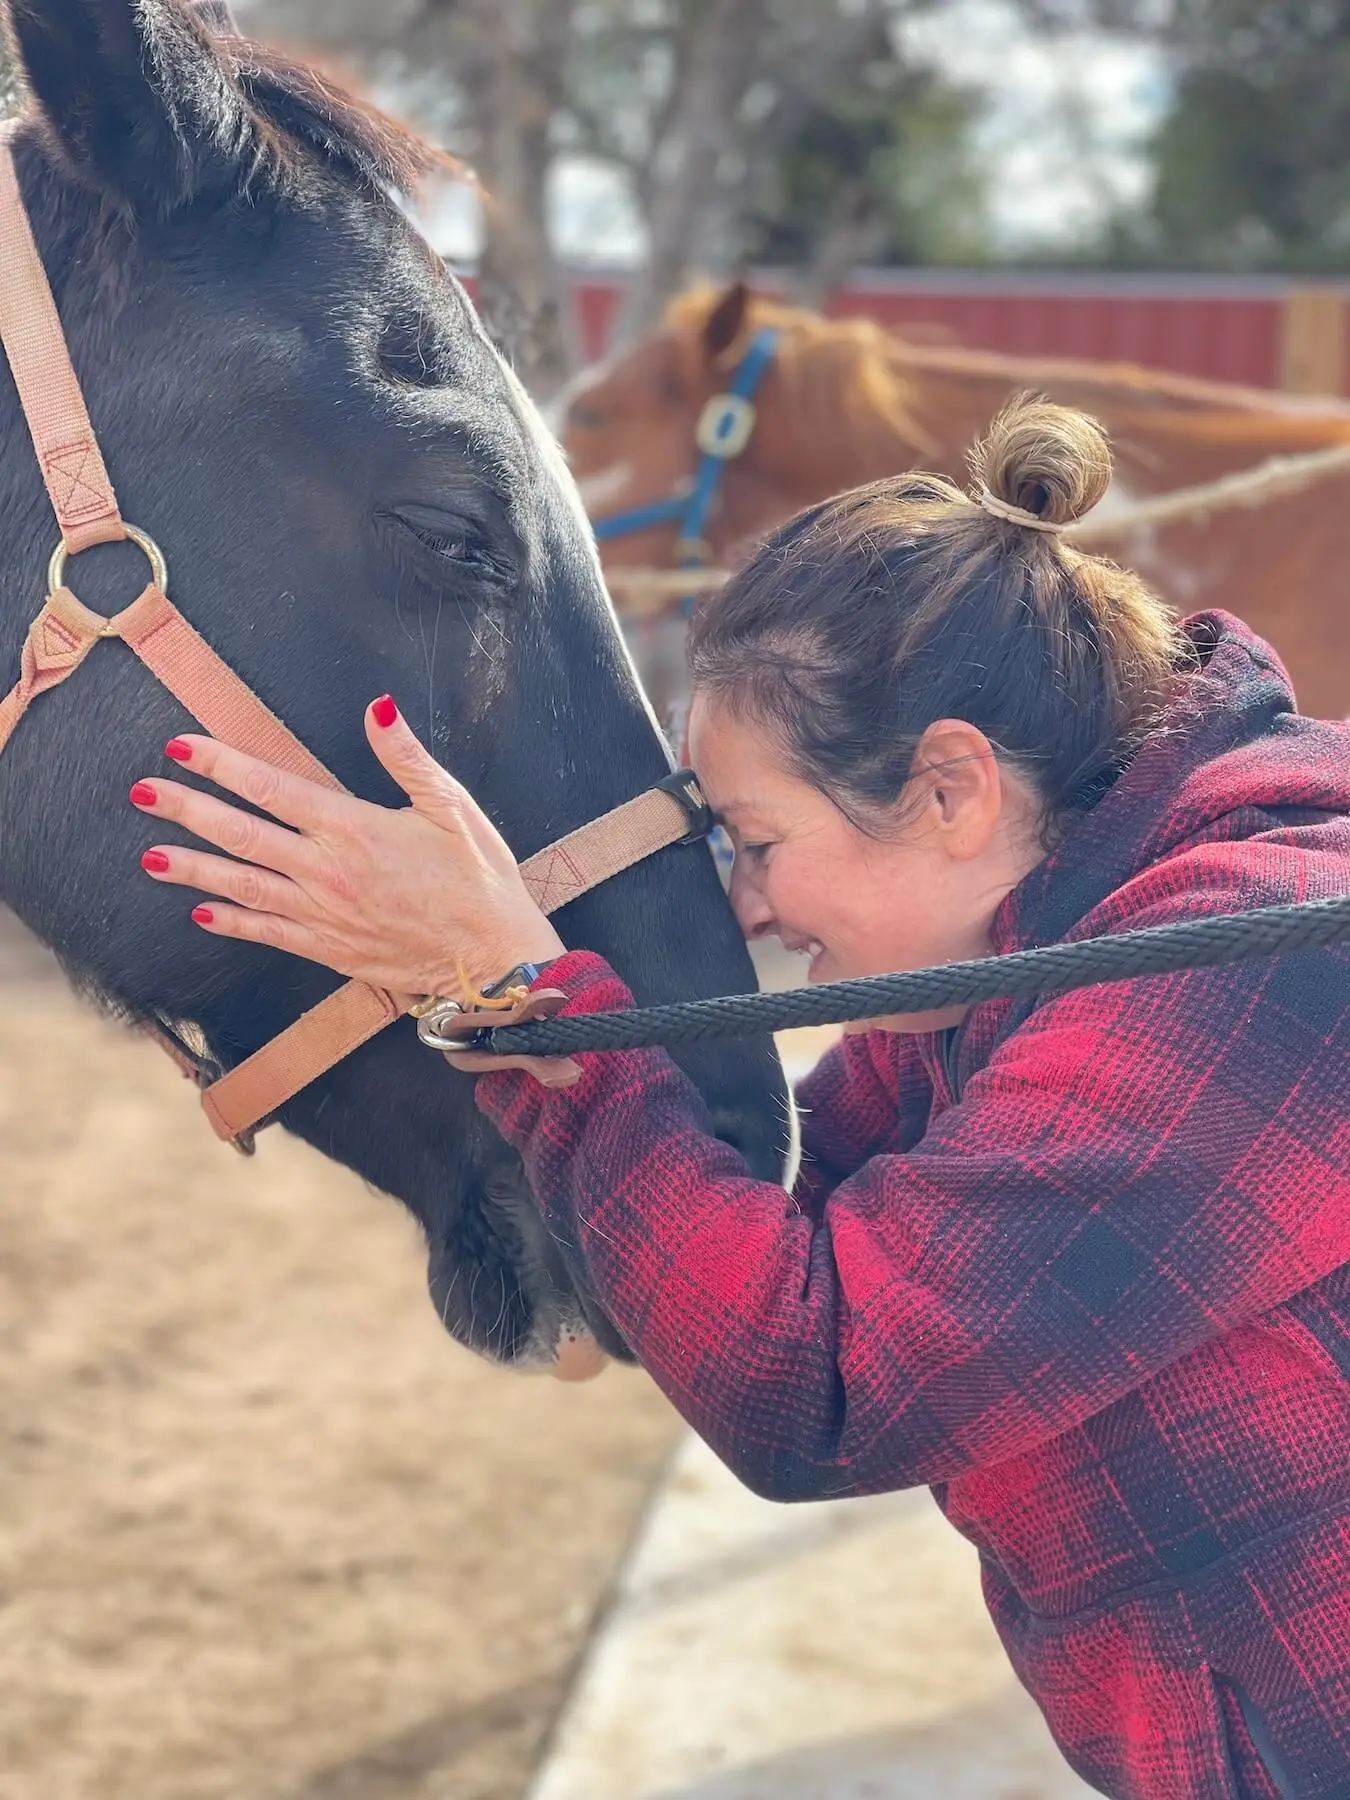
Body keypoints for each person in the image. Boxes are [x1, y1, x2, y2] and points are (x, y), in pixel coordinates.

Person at [130, 398, 1350, 1800]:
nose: (755, 911)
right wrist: (492, 985)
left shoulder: (1265, 961)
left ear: (948, 789)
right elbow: (766, 1214)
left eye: (758, 843)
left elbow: (818, 1381)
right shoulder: (1014, 957)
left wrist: (528, 989)